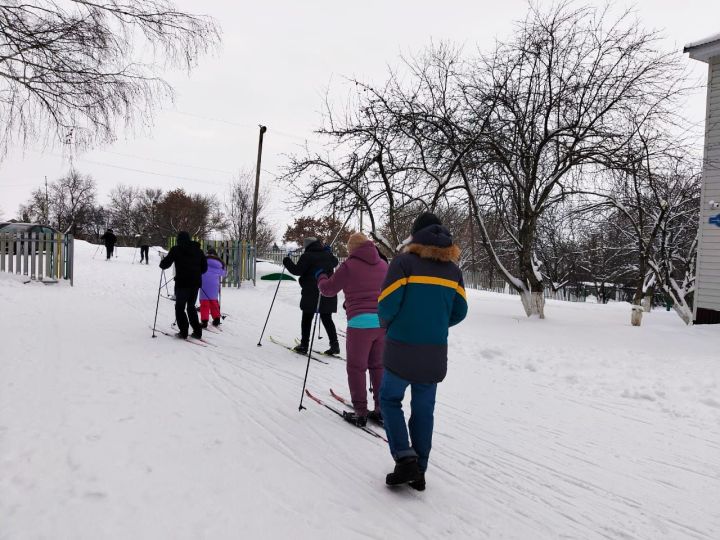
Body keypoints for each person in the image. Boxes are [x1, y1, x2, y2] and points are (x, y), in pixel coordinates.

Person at [377, 212, 468, 491]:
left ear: (415, 236)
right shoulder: (454, 271)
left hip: (401, 349)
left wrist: (390, 326)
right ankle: (420, 468)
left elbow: (387, 305)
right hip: (434, 353)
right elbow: (460, 311)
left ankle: (405, 458)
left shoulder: (403, 263)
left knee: (390, 399)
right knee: (424, 409)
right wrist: (437, 324)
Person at [317, 232, 389, 427]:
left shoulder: (349, 266)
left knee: (357, 368)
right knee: (378, 366)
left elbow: (328, 290)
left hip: (360, 324)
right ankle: (382, 410)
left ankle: (360, 412)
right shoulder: (384, 265)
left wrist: (321, 276)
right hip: (382, 323)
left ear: (352, 249)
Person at [282, 237, 339, 355]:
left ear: (307, 246)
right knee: (327, 318)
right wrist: (329, 253)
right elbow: (335, 262)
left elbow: (297, 270)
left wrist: (287, 261)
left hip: (311, 291)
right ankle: (334, 345)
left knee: (307, 318)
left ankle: (304, 345)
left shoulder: (307, 256)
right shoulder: (327, 255)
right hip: (327, 291)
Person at [159, 231, 207, 340]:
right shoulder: (198, 250)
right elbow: (204, 268)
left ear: (179, 240)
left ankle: (184, 332)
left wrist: (162, 262)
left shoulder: (176, 249)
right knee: (191, 307)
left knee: (180, 308)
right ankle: (197, 332)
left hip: (182, 284)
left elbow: (165, 264)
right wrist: (195, 272)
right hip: (195, 284)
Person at [200, 246, 227, 328]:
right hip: (214, 285)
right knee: (213, 302)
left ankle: (204, 322)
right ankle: (216, 319)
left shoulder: (203, 260)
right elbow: (224, 274)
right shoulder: (220, 263)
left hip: (204, 283)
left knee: (204, 303)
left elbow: (198, 269)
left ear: (207, 253)